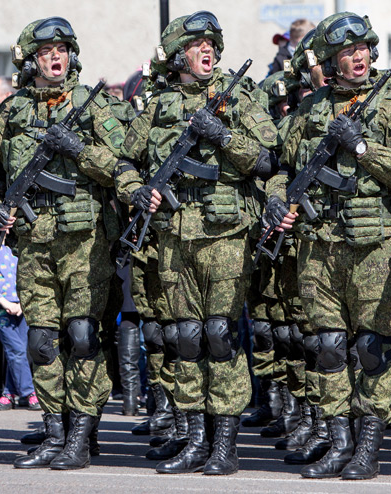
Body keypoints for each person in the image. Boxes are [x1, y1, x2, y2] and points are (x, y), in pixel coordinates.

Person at [116, 10, 278, 475]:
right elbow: (126, 160)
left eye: (211, 43)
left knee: (219, 337)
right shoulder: (158, 105)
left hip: (226, 234)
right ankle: (194, 437)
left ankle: (224, 447)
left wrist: (224, 136)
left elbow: (268, 160)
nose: (206, 50)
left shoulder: (238, 97)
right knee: (186, 339)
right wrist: (136, 190)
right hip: (173, 234)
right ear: (176, 55)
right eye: (195, 44)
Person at [271, 11, 391, 479]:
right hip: (319, 245)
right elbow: (281, 167)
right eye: (346, 52)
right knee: (329, 347)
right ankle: (339, 441)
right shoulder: (312, 108)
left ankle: (369, 447)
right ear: (330, 59)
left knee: (371, 346)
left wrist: (362, 149)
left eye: (362, 49)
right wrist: (276, 200)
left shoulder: (390, 103)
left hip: (375, 246)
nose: (357, 58)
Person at [0, 16, 132, 470]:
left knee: (82, 337)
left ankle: (82, 436)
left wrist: (78, 150)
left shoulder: (93, 103)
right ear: (31, 60)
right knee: (42, 342)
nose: (56, 57)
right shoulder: (13, 110)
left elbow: (124, 165)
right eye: (47, 52)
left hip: (85, 241)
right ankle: (55, 431)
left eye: (62, 49)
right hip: (34, 242)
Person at [0, 246, 38, 411]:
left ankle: (9, 393)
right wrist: (5, 303)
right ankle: (29, 392)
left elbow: (28, 276)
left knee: (19, 352)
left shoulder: (17, 247)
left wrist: (21, 303)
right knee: (16, 350)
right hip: (0, 307)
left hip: (21, 306)